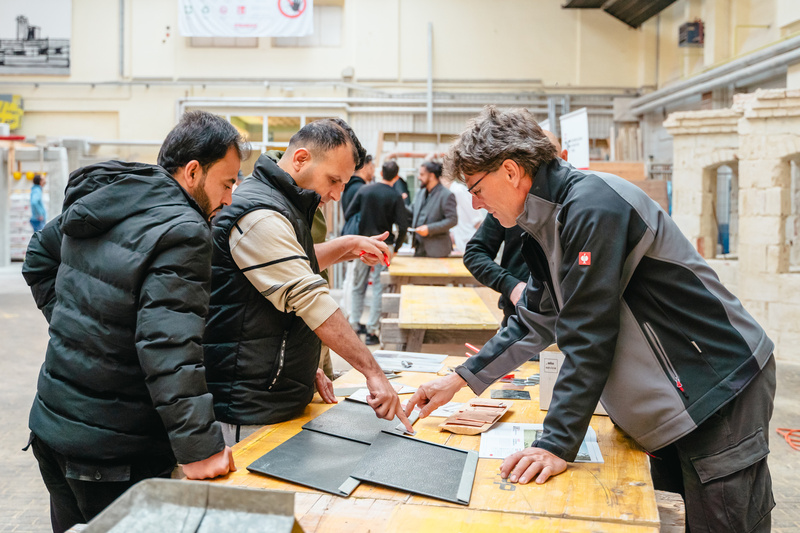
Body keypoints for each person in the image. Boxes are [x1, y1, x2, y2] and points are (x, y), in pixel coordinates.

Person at [406, 106, 776, 533]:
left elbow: (587, 331)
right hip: (675, 401)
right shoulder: (545, 222)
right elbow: (537, 318)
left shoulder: (593, 205)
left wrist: (556, 443)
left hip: (718, 389)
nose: (475, 203)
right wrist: (458, 380)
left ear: (510, 171)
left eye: (476, 187)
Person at [21, 110, 245, 533]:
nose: (231, 197)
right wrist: (200, 449)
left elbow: (38, 257)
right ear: (193, 171)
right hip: (114, 454)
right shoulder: (185, 230)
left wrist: (82, 332)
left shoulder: (110, 197)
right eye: (228, 182)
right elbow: (168, 348)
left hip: (52, 430)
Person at [202, 118, 413, 446]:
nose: (337, 193)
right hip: (248, 407)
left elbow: (294, 265)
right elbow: (310, 298)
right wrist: (373, 371)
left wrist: (299, 365)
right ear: (300, 159)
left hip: (270, 398)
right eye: (333, 180)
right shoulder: (258, 213)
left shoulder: (285, 204)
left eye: (344, 183)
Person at [463, 131, 568, 326]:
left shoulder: (575, 208)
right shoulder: (508, 204)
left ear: (564, 159)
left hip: (564, 324)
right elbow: (474, 252)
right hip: (519, 318)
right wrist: (511, 285)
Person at [344, 160, 409, 345]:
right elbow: (403, 226)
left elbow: (349, 214)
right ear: (396, 177)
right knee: (380, 288)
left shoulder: (364, 190)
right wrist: (396, 247)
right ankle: (372, 331)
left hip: (362, 244)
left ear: (381, 172)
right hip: (383, 246)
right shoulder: (395, 195)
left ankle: (355, 326)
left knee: (358, 285)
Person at [410, 161, 458, 257]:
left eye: (422, 174)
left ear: (431, 176)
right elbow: (411, 211)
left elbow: (452, 220)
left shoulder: (446, 195)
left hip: (437, 250)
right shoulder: (420, 193)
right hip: (419, 247)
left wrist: (429, 229)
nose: (419, 177)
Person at [445, 174, 485, 252]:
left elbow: (477, 218)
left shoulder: (459, 191)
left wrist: (484, 244)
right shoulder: (449, 193)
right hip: (459, 245)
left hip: (470, 242)